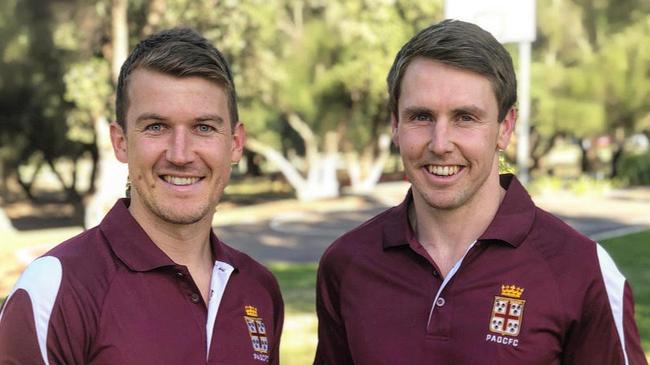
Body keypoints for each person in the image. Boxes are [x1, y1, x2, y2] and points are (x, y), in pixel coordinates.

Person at [314, 19, 647, 365]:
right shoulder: (348, 264)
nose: (440, 144)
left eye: (465, 118)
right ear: (396, 126)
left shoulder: (580, 269)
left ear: (505, 128)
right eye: (421, 117)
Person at [0, 28, 283, 365]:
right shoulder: (57, 287)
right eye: (156, 127)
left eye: (204, 127)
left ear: (235, 143)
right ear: (120, 142)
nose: (180, 154)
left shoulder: (258, 289)